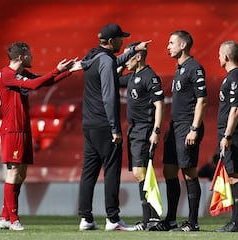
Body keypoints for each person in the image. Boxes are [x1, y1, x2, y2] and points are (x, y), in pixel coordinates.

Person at [0, 42, 79, 231]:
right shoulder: (6, 74)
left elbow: (44, 81)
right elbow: (34, 86)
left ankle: (4, 216)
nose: (32, 57)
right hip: (12, 129)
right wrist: (56, 69)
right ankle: (13, 219)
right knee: (14, 173)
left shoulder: (20, 74)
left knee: (21, 173)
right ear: (20, 57)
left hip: (23, 129)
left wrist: (68, 71)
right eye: (29, 54)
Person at [78, 23, 151, 231]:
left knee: (89, 172)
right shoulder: (106, 62)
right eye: (120, 38)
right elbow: (109, 96)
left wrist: (132, 51)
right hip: (104, 125)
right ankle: (112, 219)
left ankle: (85, 218)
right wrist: (114, 128)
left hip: (89, 124)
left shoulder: (92, 57)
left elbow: (110, 62)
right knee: (111, 171)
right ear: (111, 42)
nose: (123, 41)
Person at [150, 30, 208, 232]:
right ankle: (171, 219)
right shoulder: (179, 69)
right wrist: (170, 128)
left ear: (183, 45)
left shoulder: (195, 68)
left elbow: (202, 100)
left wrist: (194, 128)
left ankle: (193, 222)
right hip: (176, 128)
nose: (168, 46)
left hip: (188, 127)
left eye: (171, 42)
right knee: (169, 171)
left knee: (189, 172)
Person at [118, 42, 165, 231]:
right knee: (140, 174)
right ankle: (150, 219)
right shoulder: (132, 77)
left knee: (141, 173)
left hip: (145, 129)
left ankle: (150, 219)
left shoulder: (150, 77)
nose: (125, 60)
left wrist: (156, 131)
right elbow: (113, 76)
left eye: (128, 56)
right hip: (133, 130)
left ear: (138, 57)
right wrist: (123, 59)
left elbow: (159, 105)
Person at [214, 40, 238, 232]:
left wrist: (227, 135)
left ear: (226, 56)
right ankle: (235, 222)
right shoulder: (230, 77)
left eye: (219, 54)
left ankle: (237, 223)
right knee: (233, 175)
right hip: (228, 134)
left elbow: (236, 109)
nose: (218, 57)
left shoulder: (236, 77)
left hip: (233, 135)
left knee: (236, 175)